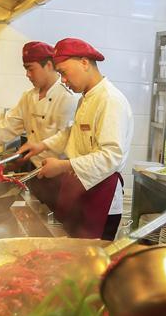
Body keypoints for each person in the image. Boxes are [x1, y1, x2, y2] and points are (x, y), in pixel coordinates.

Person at [19, 38, 133, 240]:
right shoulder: (87, 98)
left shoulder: (110, 100)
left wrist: (63, 166)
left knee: (91, 265)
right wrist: (41, 145)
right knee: (73, 260)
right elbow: (73, 132)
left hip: (101, 199)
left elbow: (111, 156)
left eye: (63, 72)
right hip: (82, 193)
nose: (62, 80)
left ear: (84, 62)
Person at [0, 41, 77, 209]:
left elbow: (66, 142)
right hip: (35, 175)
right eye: (26, 69)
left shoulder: (68, 99)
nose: (27, 75)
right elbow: (7, 126)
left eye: (31, 69)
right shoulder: (29, 97)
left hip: (59, 179)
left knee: (52, 225)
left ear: (49, 65)